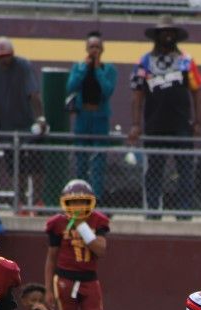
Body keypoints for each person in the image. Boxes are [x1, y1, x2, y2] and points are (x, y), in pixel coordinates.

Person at [129, 16, 201, 218]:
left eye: (171, 32)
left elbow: (197, 92)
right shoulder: (144, 62)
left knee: (185, 170)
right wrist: (136, 124)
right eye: (164, 32)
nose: (168, 35)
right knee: (153, 171)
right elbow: (137, 95)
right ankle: (153, 212)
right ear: (157, 35)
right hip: (154, 125)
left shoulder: (187, 61)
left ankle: (184, 213)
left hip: (181, 125)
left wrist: (198, 121)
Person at [43, 178, 114, 310]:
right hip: (65, 280)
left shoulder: (97, 221)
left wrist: (83, 228)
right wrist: (48, 288)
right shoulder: (57, 223)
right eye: (73, 203)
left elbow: (100, 250)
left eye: (82, 202)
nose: (78, 207)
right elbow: (51, 258)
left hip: (89, 280)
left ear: (90, 202)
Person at [0, 37, 46, 207]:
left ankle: (37, 201)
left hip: (28, 123)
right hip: (5, 125)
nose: (5, 59)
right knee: (15, 166)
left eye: (7, 55)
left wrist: (41, 119)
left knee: (36, 163)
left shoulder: (23, 66)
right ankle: (19, 201)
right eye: (1, 56)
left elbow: (34, 94)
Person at [66, 30, 118, 201]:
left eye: (97, 47)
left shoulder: (108, 69)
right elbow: (70, 87)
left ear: (102, 49)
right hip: (83, 118)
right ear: (86, 49)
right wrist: (84, 70)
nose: (94, 50)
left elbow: (108, 90)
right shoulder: (78, 67)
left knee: (98, 162)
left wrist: (97, 70)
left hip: (100, 118)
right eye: (91, 47)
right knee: (81, 159)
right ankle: (80, 197)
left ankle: (97, 199)